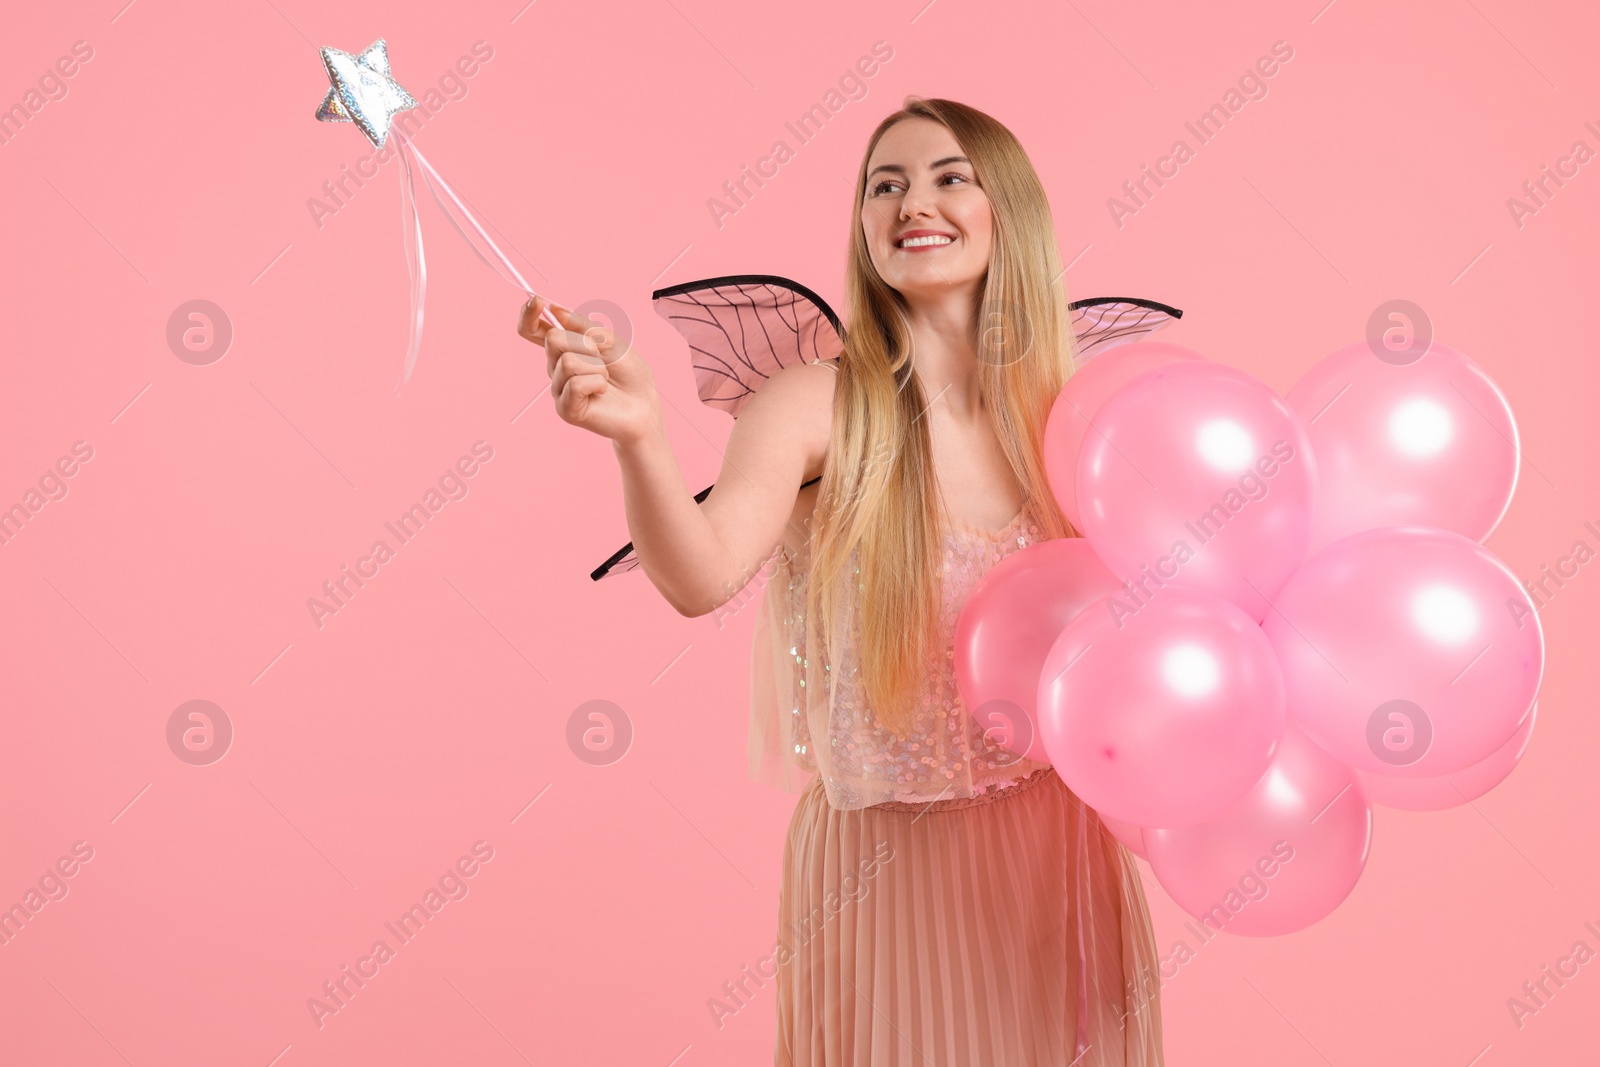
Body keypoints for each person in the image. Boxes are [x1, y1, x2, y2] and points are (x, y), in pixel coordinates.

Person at [518, 96, 1164, 1067]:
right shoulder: (813, 402)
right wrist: (640, 436)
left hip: (1056, 856)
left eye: (951, 177)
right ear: (864, 228)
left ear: (1009, 212)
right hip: (881, 871)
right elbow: (698, 575)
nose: (914, 202)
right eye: (885, 184)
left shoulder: (1067, 413)